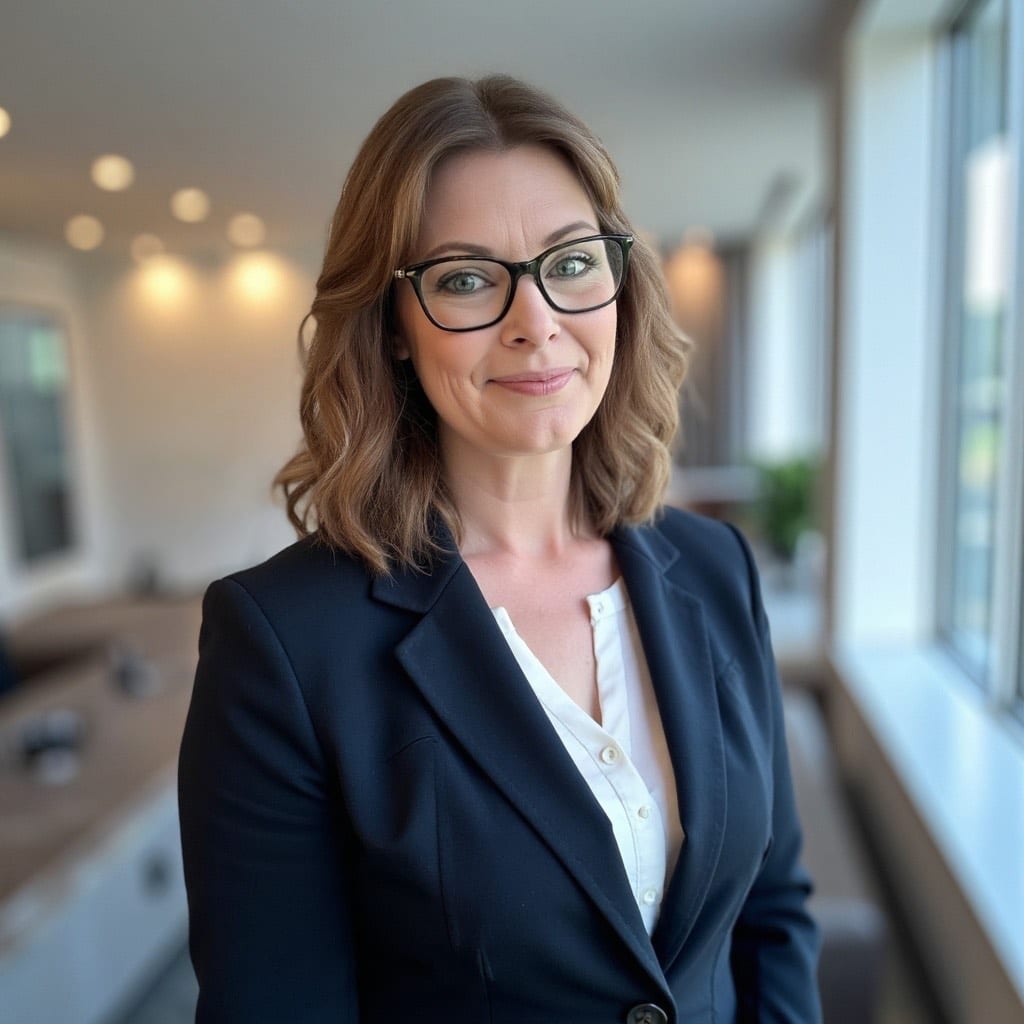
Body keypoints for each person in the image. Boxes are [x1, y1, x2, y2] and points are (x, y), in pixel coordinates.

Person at [177, 74, 821, 1024]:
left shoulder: (717, 569)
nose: (537, 322)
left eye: (571, 262)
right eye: (466, 280)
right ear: (393, 328)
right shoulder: (284, 645)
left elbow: (772, 912)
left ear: (618, 282)